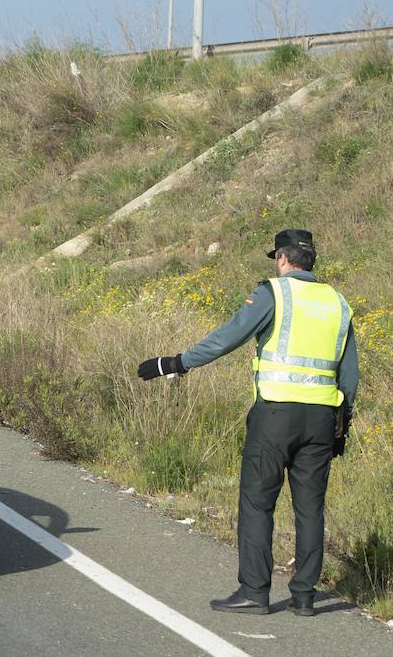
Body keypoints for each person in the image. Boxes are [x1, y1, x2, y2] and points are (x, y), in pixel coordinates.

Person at [137, 229, 358, 618]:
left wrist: (174, 363)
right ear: (311, 261)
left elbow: (229, 337)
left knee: (258, 503)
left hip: (276, 415)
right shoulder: (338, 303)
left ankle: (255, 592)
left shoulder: (275, 292)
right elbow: (350, 375)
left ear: (283, 260)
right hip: (323, 419)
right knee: (310, 508)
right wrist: (343, 425)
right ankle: (304, 597)